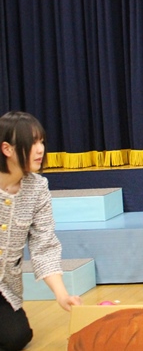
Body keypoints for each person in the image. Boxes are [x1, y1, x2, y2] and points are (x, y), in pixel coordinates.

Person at [0, 111, 82, 351]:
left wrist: (62, 294)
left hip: (4, 288)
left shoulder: (37, 188)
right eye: (32, 142)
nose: (40, 150)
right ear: (7, 149)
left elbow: (44, 246)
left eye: (42, 142)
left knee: (17, 337)